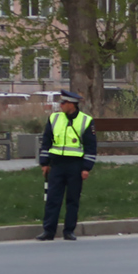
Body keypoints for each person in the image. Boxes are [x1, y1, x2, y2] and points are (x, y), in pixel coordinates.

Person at [37, 91, 97, 241]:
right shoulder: (54, 118)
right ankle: (48, 230)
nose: (60, 106)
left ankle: (69, 230)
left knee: (72, 199)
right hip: (57, 164)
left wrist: (86, 168)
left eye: (63, 103)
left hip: (75, 165)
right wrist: (44, 163)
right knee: (52, 198)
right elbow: (46, 141)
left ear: (72, 104)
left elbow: (91, 146)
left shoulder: (85, 120)